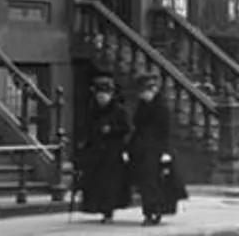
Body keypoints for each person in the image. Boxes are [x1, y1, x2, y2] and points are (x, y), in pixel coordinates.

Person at [127, 74, 183, 225]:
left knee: (154, 182)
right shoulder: (141, 107)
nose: (144, 95)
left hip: (156, 150)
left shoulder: (162, 109)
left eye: (147, 91)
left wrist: (166, 152)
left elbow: (167, 132)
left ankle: (155, 211)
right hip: (141, 149)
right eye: (142, 92)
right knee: (145, 182)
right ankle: (148, 211)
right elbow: (137, 128)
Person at [77, 75, 131, 222]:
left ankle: (108, 210)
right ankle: (96, 207)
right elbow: (86, 127)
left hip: (112, 152)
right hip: (95, 151)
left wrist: (112, 129)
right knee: (96, 182)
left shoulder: (119, 111)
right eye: (99, 95)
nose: (102, 98)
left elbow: (126, 128)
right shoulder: (92, 110)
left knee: (110, 184)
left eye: (105, 95)